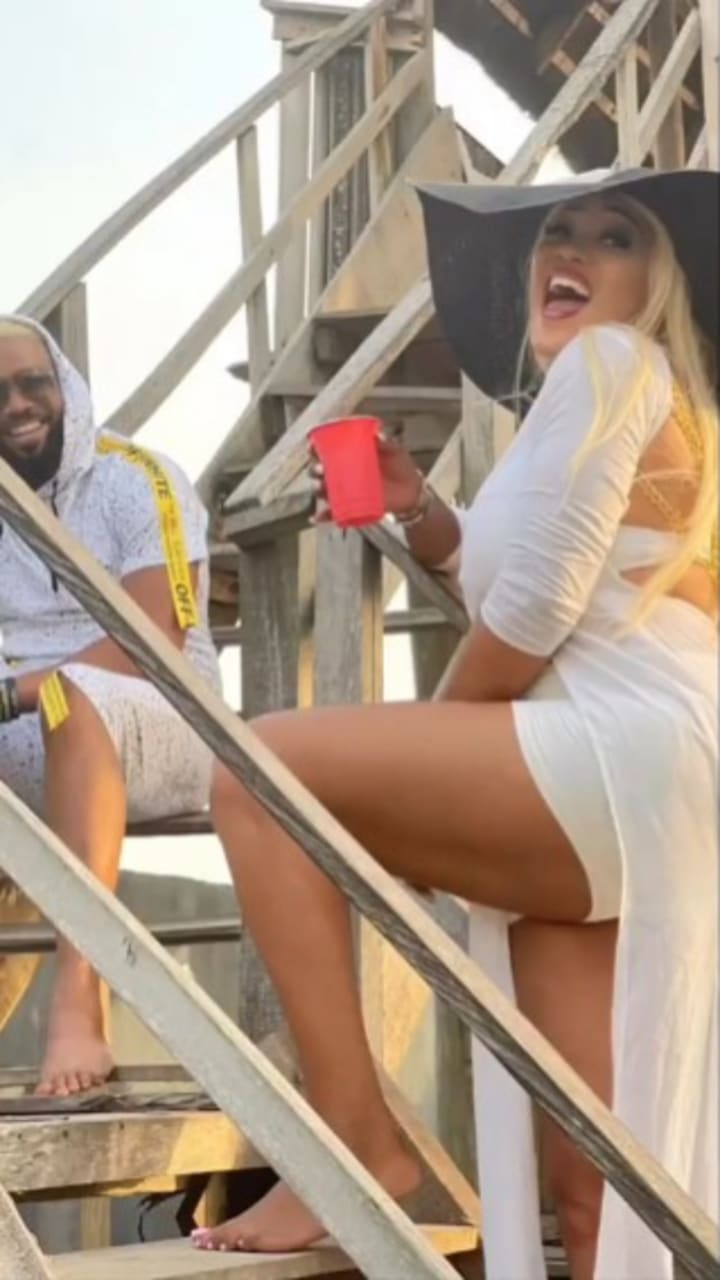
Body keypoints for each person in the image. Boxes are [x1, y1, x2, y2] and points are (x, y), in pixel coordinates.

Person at [195, 169, 718, 1279]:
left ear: (657, 283)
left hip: (618, 752)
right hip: (640, 783)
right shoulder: (594, 405)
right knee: (598, 1186)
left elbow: (535, 611)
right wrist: (422, 509)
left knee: (262, 773)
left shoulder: (612, 361)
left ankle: (355, 1142)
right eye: (556, 233)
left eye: (613, 237)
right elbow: (538, 578)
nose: (569, 250)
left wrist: (418, 763)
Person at [0, 315, 221, 1097]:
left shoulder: (136, 478)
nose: (16, 405)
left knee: (74, 696)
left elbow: (152, 639)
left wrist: (16, 692)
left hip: (161, 723)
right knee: (62, 699)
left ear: (67, 385)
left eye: (33, 383)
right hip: (26, 735)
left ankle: (79, 1001)